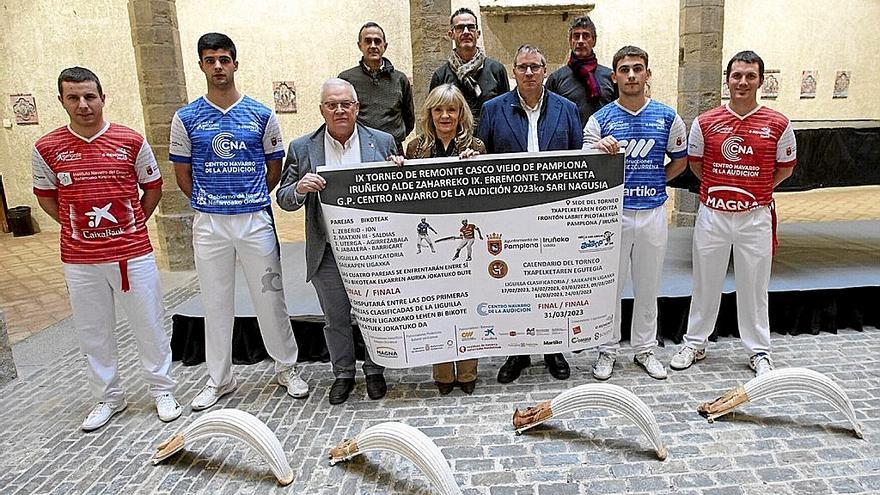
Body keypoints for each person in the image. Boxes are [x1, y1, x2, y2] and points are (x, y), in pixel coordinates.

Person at [32, 67, 180, 431]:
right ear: (62, 101)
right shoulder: (46, 148)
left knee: (149, 325)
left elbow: (153, 188)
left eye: (89, 96)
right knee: (93, 331)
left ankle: (162, 390)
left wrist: (130, 225)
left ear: (102, 97)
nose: (83, 105)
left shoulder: (129, 140)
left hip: (133, 255)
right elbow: (46, 197)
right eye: (74, 98)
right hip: (80, 260)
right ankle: (108, 397)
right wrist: (75, 226)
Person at [170, 33, 308, 411]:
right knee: (215, 302)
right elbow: (183, 175)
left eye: (224, 59)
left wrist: (246, 198)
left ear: (235, 63)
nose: (218, 66)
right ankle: (219, 379)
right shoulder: (186, 118)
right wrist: (212, 201)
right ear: (201, 65)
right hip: (210, 222)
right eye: (210, 59)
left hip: (254, 219)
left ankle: (286, 368)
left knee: (270, 297)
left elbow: (274, 168)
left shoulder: (261, 114)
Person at [670, 50, 797, 376]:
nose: (743, 82)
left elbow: (784, 168)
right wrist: (724, 190)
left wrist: (755, 191)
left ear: (761, 81)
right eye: (737, 75)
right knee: (705, 283)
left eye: (750, 76)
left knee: (755, 286)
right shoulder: (705, 122)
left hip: (755, 217)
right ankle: (695, 343)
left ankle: (758, 352)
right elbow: (697, 166)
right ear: (727, 79)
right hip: (713, 215)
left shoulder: (778, 123)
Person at [277, 78, 397, 404]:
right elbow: (284, 198)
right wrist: (300, 187)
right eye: (332, 105)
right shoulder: (302, 148)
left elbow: (398, 195)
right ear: (322, 110)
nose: (340, 110)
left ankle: (375, 369)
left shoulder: (383, 142)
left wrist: (398, 171)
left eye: (346, 104)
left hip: (374, 251)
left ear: (357, 108)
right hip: (328, 251)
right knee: (336, 318)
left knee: (376, 313)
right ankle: (343, 373)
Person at [476, 44, 582, 383]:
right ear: (513, 72)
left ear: (545, 70)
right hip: (510, 216)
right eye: (523, 67)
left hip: (555, 215)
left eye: (535, 66)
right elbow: (483, 158)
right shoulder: (493, 110)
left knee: (551, 284)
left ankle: (553, 347)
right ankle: (517, 351)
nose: (529, 73)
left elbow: (580, 161)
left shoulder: (567, 109)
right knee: (514, 285)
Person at [583, 46, 688, 381]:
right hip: (613, 216)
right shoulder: (600, 119)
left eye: (637, 69)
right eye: (624, 69)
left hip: (653, 213)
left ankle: (644, 350)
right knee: (609, 287)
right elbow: (586, 167)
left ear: (647, 74)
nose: (631, 75)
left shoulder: (668, 116)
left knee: (647, 286)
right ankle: (607, 350)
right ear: (613, 76)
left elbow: (680, 161)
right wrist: (601, 152)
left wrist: (657, 180)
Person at [405, 83, 486, 394]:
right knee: (438, 306)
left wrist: (476, 168)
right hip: (433, 244)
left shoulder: (476, 147)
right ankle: (442, 372)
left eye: (451, 109)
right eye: (438, 109)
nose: (445, 115)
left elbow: (485, 194)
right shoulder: (415, 149)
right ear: (429, 113)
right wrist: (398, 168)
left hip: (463, 233)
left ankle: (467, 372)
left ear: (460, 113)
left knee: (467, 303)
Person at [339, 21, 415, 152]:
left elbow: (409, 120)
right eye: (368, 41)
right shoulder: (346, 79)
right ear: (360, 45)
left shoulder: (400, 79)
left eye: (377, 41)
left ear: (384, 46)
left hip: (393, 151)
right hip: (358, 150)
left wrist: (393, 138)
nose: (373, 46)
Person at [430, 7, 509, 126]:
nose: (466, 32)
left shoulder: (496, 70)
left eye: (471, 27)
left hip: (490, 142)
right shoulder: (440, 76)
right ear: (451, 34)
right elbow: (433, 115)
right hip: (454, 142)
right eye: (460, 28)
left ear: (478, 33)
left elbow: (506, 111)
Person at [546, 16, 616, 128]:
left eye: (586, 36)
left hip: (605, 142)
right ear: (570, 41)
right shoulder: (556, 78)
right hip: (571, 143)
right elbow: (549, 117)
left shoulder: (610, 77)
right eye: (576, 36)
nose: (580, 41)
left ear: (594, 41)